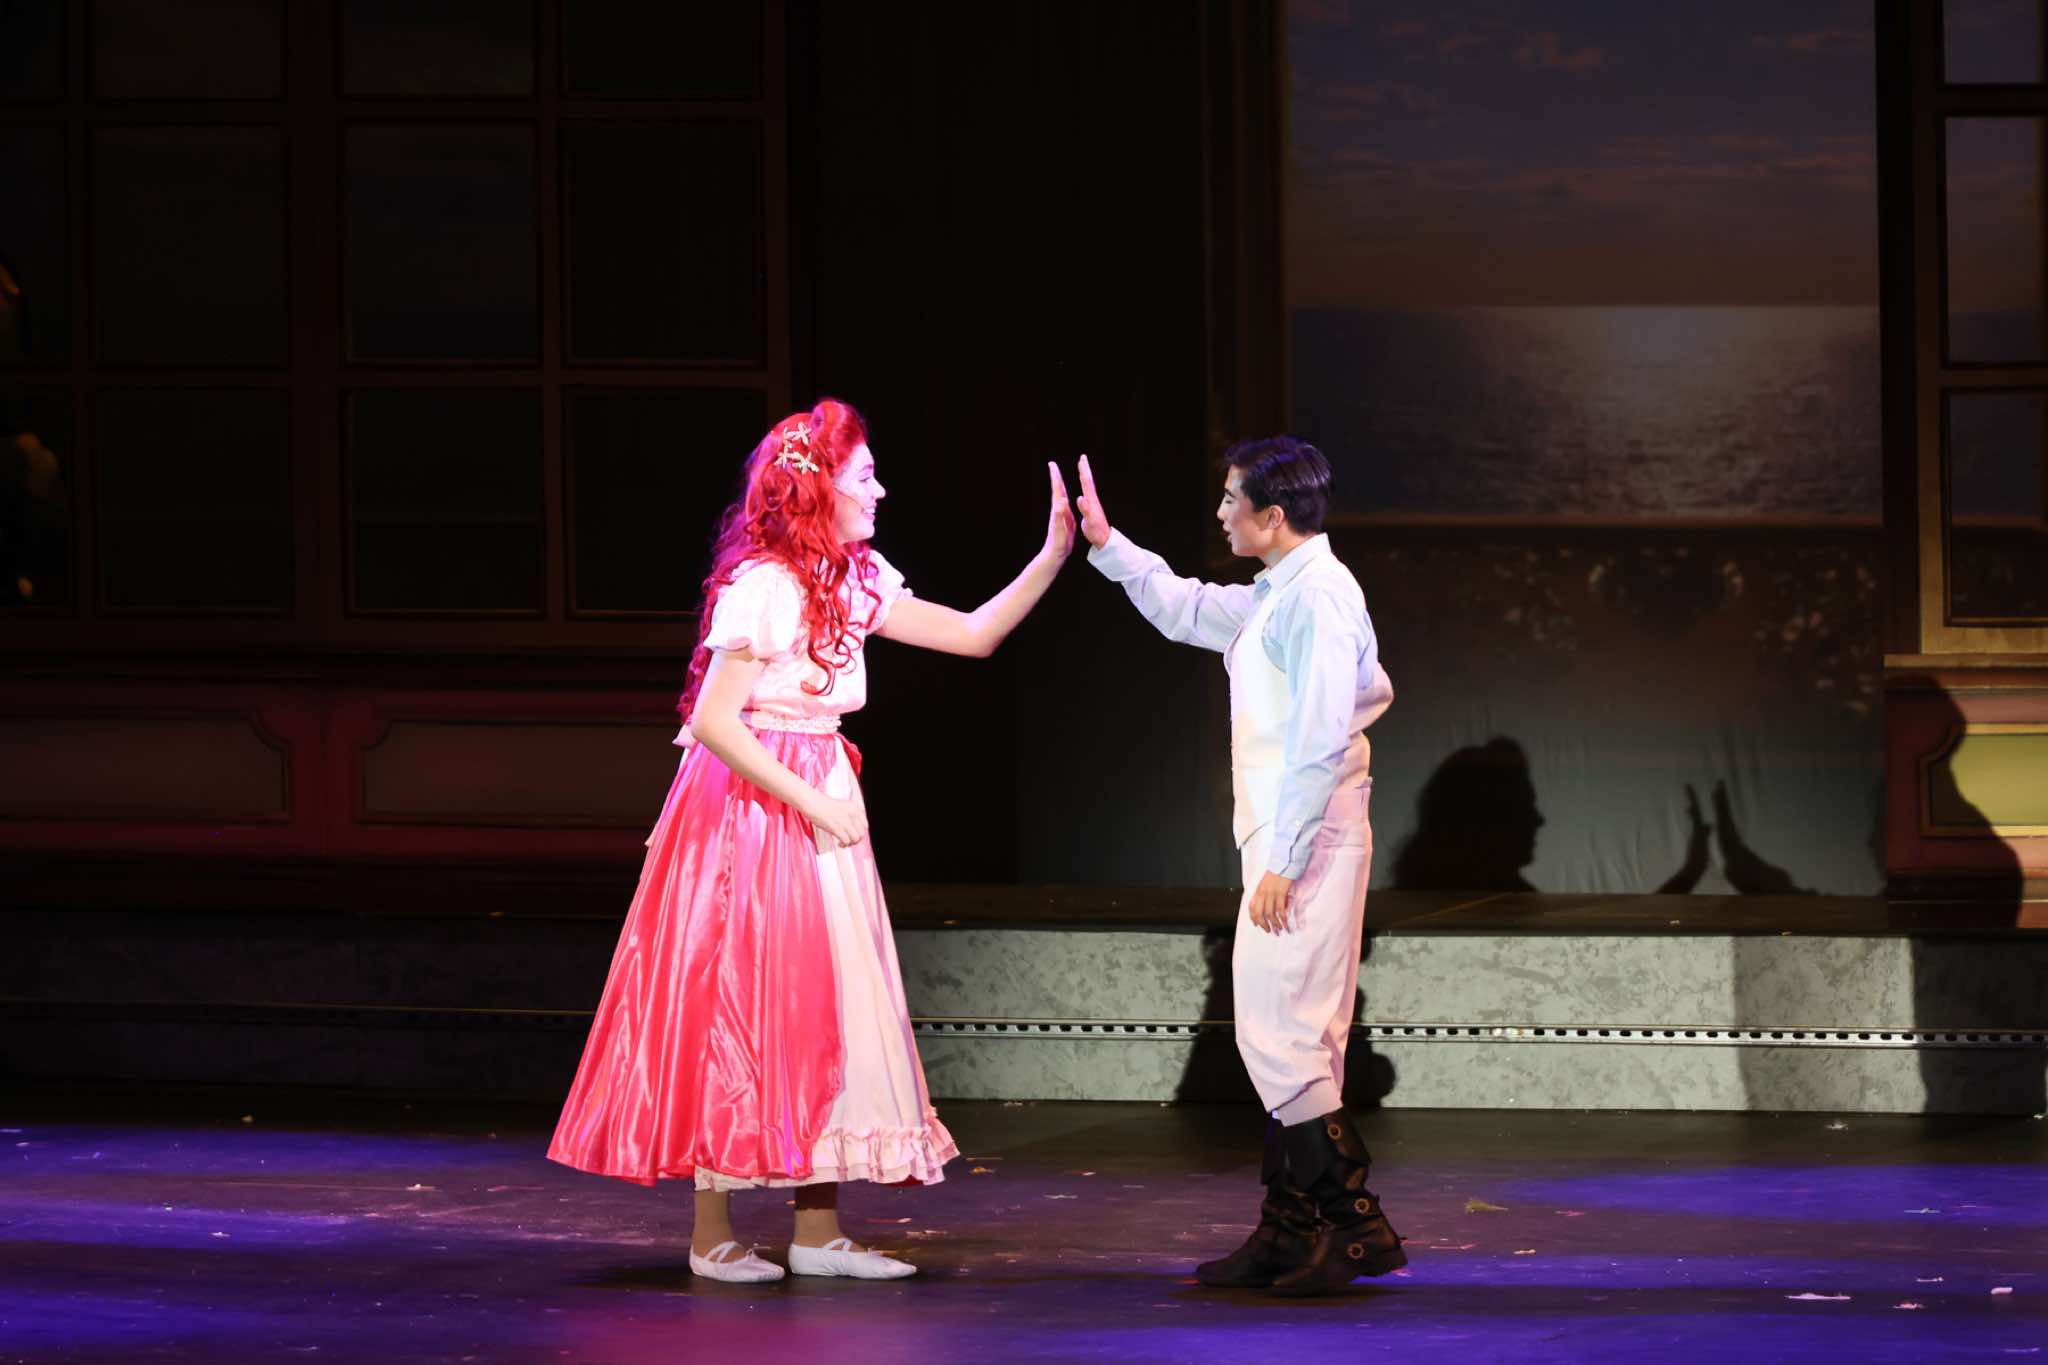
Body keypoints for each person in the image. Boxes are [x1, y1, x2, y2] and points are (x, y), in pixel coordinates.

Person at [551, 399, 1076, 1283]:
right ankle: (712, 1233)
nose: (880, 489)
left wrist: (1051, 555)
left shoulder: (855, 578)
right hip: (749, 808)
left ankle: (818, 1229)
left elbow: (974, 634)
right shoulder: (765, 584)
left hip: (820, 789)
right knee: (736, 1002)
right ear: (816, 487)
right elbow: (717, 721)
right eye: (864, 474)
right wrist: (815, 803)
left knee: (831, 1003)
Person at [1075, 440, 1403, 1295]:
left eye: (1232, 500)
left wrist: (1285, 861)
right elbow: (1186, 607)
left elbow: (1319, 738)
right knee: (1298, 1037)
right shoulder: (1276, 593)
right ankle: (1291, 1230)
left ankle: (1355, 1225)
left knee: (1282, 1035)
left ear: (1274, 515)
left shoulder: (1319, 597)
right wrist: (1109, 544)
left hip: (1308, 840)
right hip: (1290, 837)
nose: (1221, 514)